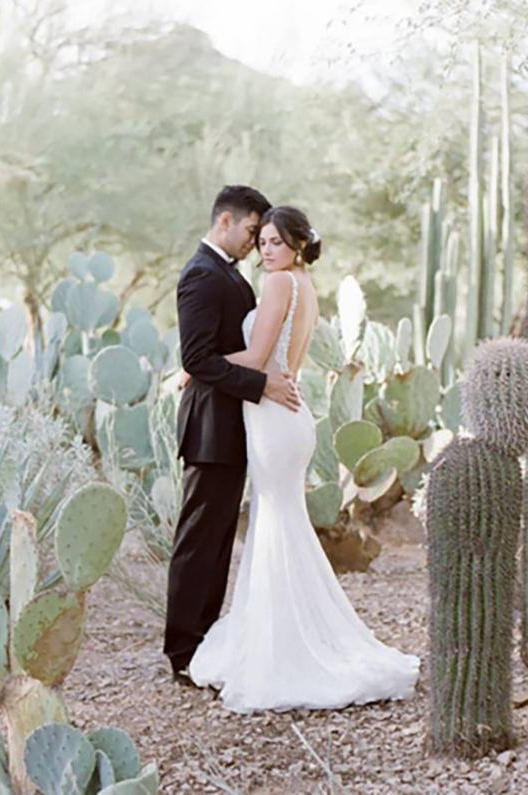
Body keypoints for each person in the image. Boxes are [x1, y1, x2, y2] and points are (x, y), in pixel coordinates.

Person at [186, 205, 420, 713]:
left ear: (296, 244)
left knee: (275, 523)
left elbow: (255, 358)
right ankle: (289, 635)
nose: (265, 250)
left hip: (273, 418)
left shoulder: (278, 286)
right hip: (284, 414)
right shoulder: (305, 286)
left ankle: (282, 652)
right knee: (282, 523)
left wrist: (194, 368)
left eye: (274, 241)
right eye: (262, 241)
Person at [163, 186, 300, 683]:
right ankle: (182, 650)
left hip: (233, 426)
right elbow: (196, 360)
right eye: (250, 231)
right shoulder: (201, 275)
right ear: (226, 220)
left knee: (219, 539)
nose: (253, 242)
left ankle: (202, 641)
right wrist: (261, 383)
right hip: (209, 427)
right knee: (199, 539)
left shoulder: (228, 274)